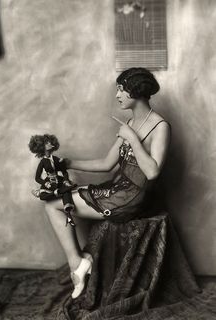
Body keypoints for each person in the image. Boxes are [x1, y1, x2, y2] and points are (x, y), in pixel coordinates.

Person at [45, 68, 171, 299]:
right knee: (55, 200)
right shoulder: (131, 121)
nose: (117, 95)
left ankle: (78, 265)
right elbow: (106, 164)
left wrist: (132, 137)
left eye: (121, 89)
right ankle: (78, 264)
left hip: (133, 197)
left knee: (54, 205)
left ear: (136, 90)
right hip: (119, 188)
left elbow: (152, 172)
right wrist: (68, 163)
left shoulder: (160, 126)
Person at [28, 134, 77, 227]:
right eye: (47, 142)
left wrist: (66, 180)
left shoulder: (56, 159)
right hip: (50, 183)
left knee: (67, 191)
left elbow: (64, 172)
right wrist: (45, 183)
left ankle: (68, 213)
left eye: (50, 141)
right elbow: (37, 178)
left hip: (60, 181)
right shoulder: (42, 162)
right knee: (43, 196)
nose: (50, 143)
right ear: (43, 147)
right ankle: (56, 192)